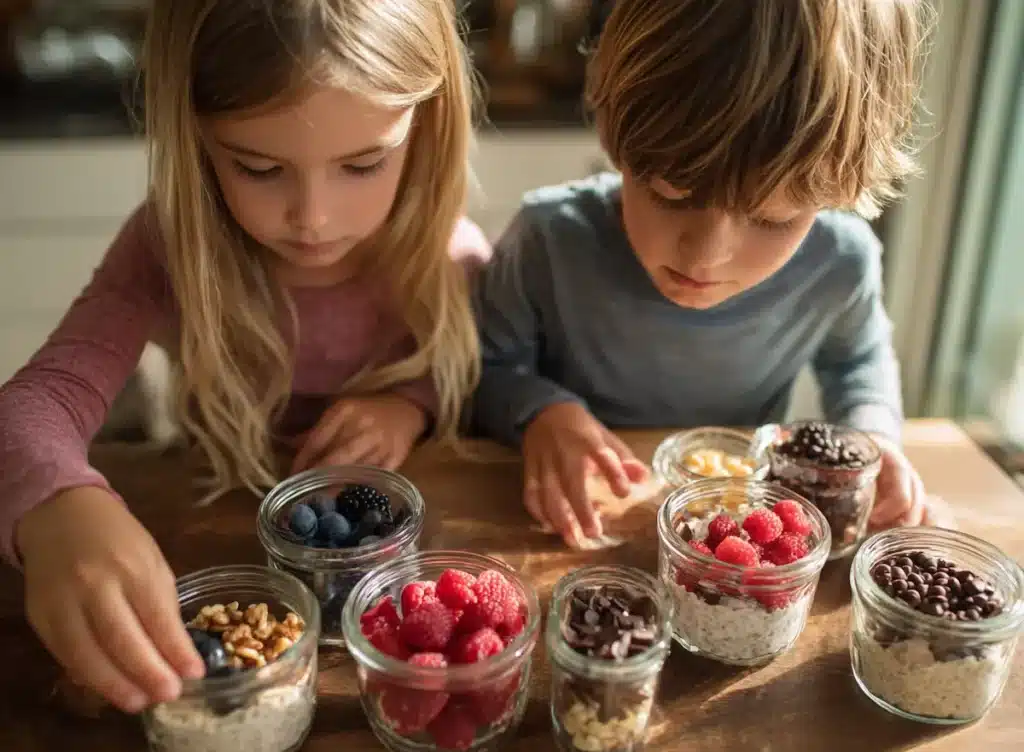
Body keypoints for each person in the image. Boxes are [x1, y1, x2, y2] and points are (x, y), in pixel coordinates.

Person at [0, 0, 484, 713]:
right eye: (259, 168)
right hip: (220, 543)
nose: (312, 217)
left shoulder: (450, 257)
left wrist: (408, 405)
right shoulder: (167, 249)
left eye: (363, 164)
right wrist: (55, 505)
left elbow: (479, 371)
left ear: (426, 128)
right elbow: (36, 402)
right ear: (195, 135)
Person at [472, 0, 932, 548]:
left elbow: (858, 361)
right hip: (581, 523)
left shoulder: (841, 262)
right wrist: (541, 414)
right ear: (613, 130)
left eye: (770, 218)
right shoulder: (548, 239)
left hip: (732, 526)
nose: (705, 258)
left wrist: (874, 438)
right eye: (670, 196)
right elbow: (483, 367)